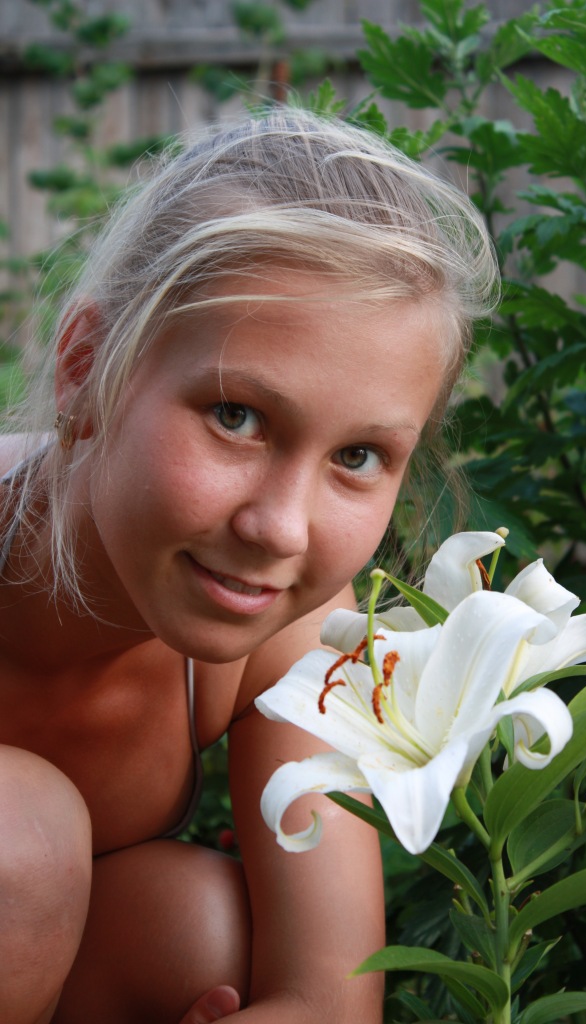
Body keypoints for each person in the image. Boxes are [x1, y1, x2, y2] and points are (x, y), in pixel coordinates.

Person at [0, 106, 498, 1024]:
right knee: (20, 838)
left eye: (357, 457)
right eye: (237, 416)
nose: (279, 529)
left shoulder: (292, 637)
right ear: (86, 368)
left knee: (200, 930)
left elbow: (328, 1001)